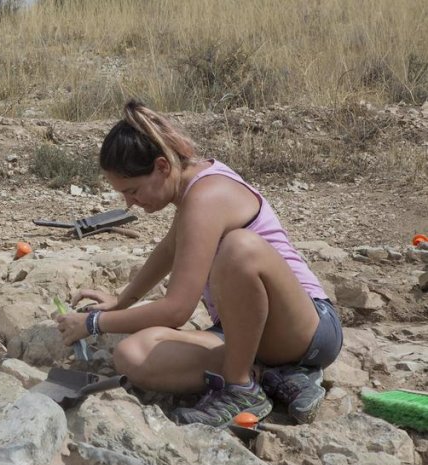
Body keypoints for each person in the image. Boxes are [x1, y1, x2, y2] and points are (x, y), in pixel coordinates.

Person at [57, 100, 342, 427]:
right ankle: (275, 376)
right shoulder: (190, 190)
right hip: (245, 334)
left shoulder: (207, 196)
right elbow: (168, 250)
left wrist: (93, 323)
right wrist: (122, 301)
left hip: (306, 329)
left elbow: (178, 310)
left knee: (240, 248)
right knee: (132, 354)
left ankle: (240, 387)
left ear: (162, 167)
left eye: (133, 190)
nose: (130, 203)